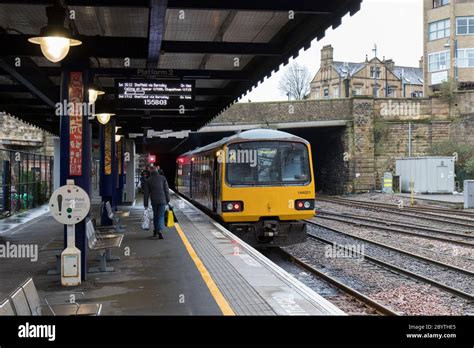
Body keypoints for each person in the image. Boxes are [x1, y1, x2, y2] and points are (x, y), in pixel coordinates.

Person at [143, 166, 170, 239]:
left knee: (155, 215)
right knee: (161, 216)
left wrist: (145, 204)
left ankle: (155, 231)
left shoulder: (148, 180)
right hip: (162, 200)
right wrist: (168, 200)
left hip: (154, 201)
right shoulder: (163, 178)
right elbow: (166, 190)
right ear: (157, 170)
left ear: (150, 171)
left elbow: (146, 194)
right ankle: (160, 230)